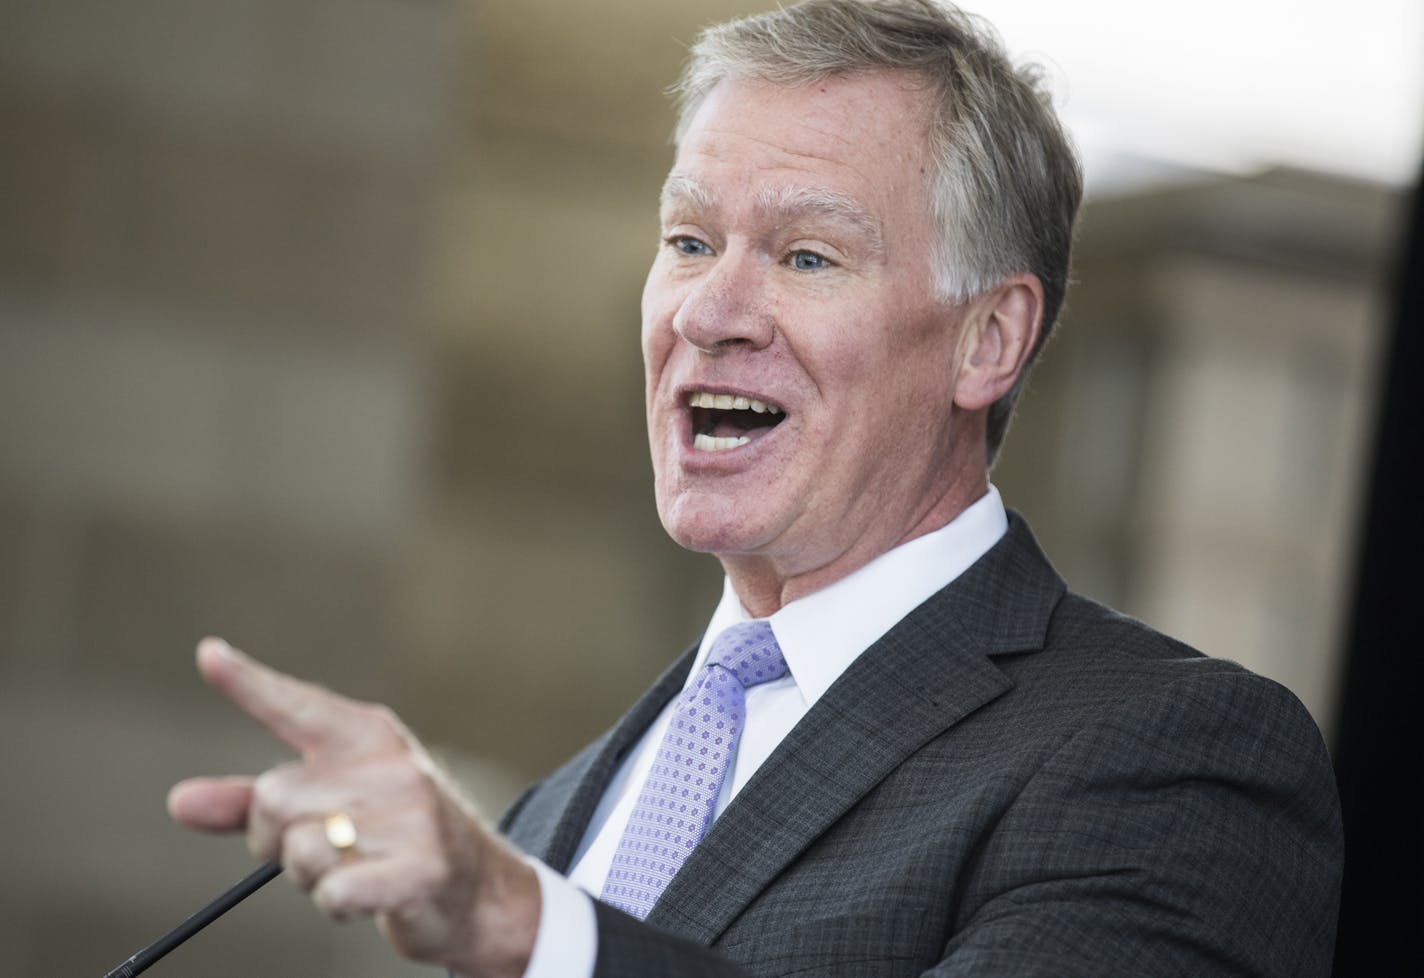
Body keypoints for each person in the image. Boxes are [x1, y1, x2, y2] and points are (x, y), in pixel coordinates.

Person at [167, 1, 1344, 975]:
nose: (708, 312)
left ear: (987, 339)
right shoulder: (554, 816)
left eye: (805, 255)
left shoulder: (1170, 752)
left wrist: (528, 929)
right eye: (686, 241)